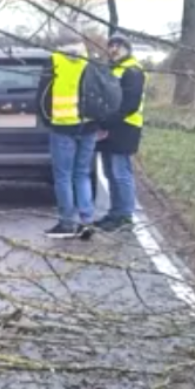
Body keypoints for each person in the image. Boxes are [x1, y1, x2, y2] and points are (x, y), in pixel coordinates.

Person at [38, 40, 101, 239]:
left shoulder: (54, 61)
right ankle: (86, 221)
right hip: (88, 126)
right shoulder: (89, 62)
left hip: (63, 126)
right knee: (82, 174)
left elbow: (42, 96)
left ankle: (66, 223)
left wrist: (47, 120)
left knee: (63, 176)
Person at [94, 36, 147, 232]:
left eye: (118, 46)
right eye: (111, 46)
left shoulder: (132, 70)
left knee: (120, 172)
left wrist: (107, 121)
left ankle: (125, 216)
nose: (114, 50)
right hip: (110, 126)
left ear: (127, 49)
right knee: (109, 172)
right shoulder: (111, 69)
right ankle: (114, 213)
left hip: (125, 127)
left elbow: (129, 105)